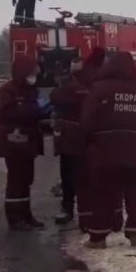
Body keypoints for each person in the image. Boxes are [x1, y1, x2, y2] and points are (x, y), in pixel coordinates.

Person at [80, 50, 136, 248]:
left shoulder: (99, 89)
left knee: (103, 193)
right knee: (134, 192)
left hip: (105, 152)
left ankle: (98, 236)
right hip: (134, 152)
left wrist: (94, 142)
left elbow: (87, 121)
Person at [50, 48, 105, 226]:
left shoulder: (89, 85)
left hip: (84, 139)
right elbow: (55, 97)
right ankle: (68, 208)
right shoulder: (67, 85)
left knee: (83, 177)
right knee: (67, 176)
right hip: (68, 139)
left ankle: (84, 212)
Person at [0, 55, 47, 230]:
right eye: (31, 73)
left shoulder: (30, 90)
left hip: (28, 140)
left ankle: (26, 214)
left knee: (26, 179)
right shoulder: (7, 90)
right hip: (13, 142)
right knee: (16, 179)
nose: (34, 76)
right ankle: (14, 217)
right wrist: (32, 109)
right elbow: (8, 112)